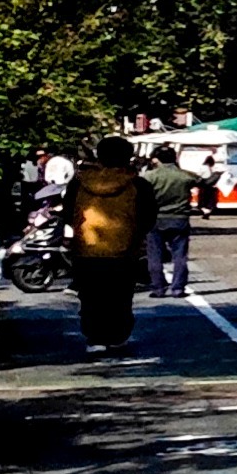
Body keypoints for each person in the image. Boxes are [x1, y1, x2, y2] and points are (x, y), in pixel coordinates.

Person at [63, 138, 153, 353]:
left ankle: (95, 337)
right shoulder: (137, 184)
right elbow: (148, 216)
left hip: (87, 249)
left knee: (91, 295)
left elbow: (68, 213)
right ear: (128, 156)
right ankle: (117, 335)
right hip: (124, 251)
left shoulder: (79, 182)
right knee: (120, 295)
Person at [140, 145, 201, 298]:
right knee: (179, 256)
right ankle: (178, 288)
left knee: (154, 256)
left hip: (154, 220)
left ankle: (158, 288)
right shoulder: (185, 176)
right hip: (179, 218)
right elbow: (204, 182)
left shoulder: (149, 176)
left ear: (156, 159)